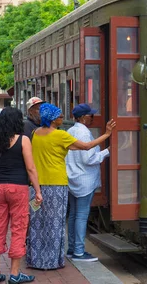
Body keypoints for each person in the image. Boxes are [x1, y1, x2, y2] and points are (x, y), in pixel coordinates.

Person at [26, 103, 116, 270]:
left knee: (38, 222)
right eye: (60, 116)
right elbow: (87, 148)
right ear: (52, 120)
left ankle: (37, 259)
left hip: (37, 185)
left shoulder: (35, 133)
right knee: (56, 223)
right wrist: (107, 135)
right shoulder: (60, 135)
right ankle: (58, 258)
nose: (62, 118)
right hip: (56, 184)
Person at [0, 107, 42, 284]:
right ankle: (14, 274)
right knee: (18, 229)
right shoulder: (23, 140)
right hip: (18, 188)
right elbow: (30, 168)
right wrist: (37, 191)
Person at [65, 104, 110, 262]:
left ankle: (71, 249)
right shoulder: (84, 133)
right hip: (84, 180)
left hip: (72, 179)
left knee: (73, 215)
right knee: (82, 216)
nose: (92, 117)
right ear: (83, 117)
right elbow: (89, 158)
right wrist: (107, 151)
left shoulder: (70, 130)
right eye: (90, 115)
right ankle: (78, 251)